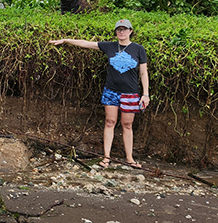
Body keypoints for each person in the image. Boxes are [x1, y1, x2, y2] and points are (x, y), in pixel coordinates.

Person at [49, 19, 150, 169]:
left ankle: (129, 158)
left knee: (127, 124)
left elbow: (143, 73)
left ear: (130, 31)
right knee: (110, 122)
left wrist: (146, 94)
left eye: (124, 29)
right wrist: (66, 40)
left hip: (130, 93)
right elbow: (87, 44)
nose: (121, 32)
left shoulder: (138, 49)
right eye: (119, 29)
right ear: (116, 32)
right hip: (111, 91)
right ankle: (106, 157)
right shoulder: (109, 46)